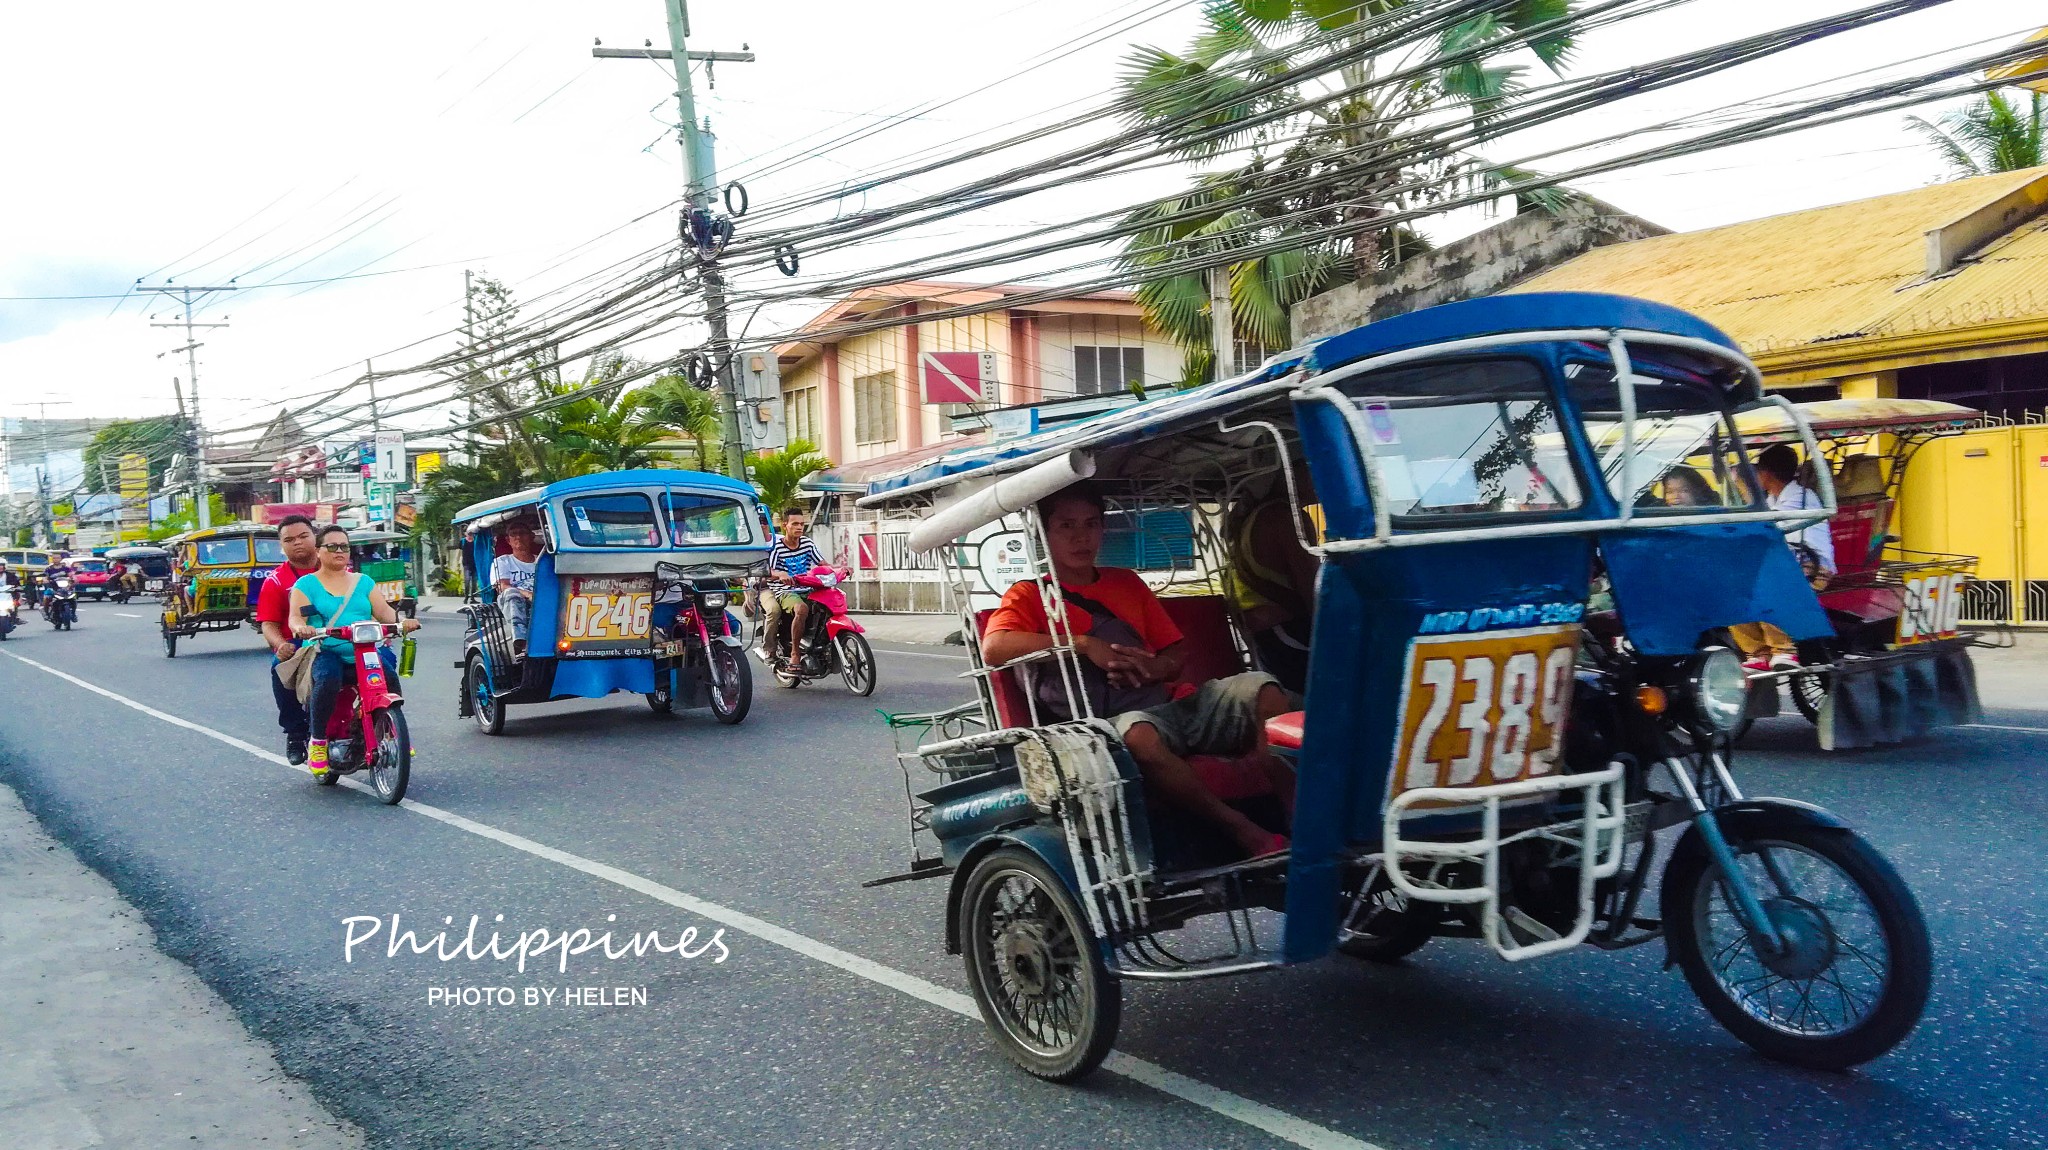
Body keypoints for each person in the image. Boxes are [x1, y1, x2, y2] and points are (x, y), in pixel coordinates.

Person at [983, 484, 1295, 860]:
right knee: (1140, 736)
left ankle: (1297, 818)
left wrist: (1155, 667)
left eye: (1091, 524)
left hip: (1173, 702)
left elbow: (1174, 652)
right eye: (1066, 526)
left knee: (1264, 689)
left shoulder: (1126, 582)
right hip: (1109, 723)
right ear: (1044, 534)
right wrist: (1083, 644)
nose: (1081, 537)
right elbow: (994, 648)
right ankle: (1242, 830)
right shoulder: (1029, 595)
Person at [288, 525, 419, 779]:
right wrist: (302, 629)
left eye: (344, 547)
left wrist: (402, 623)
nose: (339, 551)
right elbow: (295, 618)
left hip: (364, 650)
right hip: (326, 649)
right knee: (328, 679)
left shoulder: (363, 582)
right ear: (318, 551)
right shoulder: (306, 584)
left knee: (389, 676)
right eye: (332, 546)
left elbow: (385, 613)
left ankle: (391, 732)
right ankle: (318, 742)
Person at [1729, 444, 1837, 671]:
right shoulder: (1771, 500)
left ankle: (1784, 649)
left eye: (1756, 472)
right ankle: (1758, 653)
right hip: (1787, 565)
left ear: (1766, 473)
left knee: (1766, 583)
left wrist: (1746, 490)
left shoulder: (1802, 498)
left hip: (1813, 569)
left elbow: (1766, 528)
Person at [1223, 475, 1320, 694]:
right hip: (1289, 634)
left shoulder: (1256, 516)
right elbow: (1313, 590)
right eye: (1309, 469)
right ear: (1288, 474)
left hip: (1268, 635)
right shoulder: (1286, 518)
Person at [255, 515, 322, 763]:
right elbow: (268, 624)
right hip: (299, 645)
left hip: (341, 639)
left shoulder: (341, 571)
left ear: (316, 537)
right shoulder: (275, 582)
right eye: (289, 539)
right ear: (282, 546)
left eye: (304, 536)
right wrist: (280, 645)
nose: (298, 543)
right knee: (278, 670)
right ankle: (295, 733)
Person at [760, 506, 825, 661]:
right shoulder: (777, 547)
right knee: (801, 609)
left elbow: (823, 564)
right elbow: (769, 571)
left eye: (801, 524)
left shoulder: (807, 544)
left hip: (808, 588)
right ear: (784, 525)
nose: (799, 527)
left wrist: (841, 569)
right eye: (795, 524)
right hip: (785, 590)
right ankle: (795, 653)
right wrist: (780, 574)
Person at [490, 519, 541, 658]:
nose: (518, 537)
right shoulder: (502, 561)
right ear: (508, 540)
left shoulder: (541, 561)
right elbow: (502, 585)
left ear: (531, 537)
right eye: (514, 534)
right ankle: (520, 641)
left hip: (540, 599)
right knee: (512, 592)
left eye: (522, 533)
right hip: (512, 599)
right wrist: (527, 594)